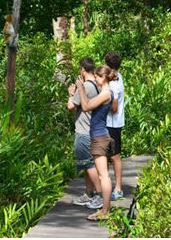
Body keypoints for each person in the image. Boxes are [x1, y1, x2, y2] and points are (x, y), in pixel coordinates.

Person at [76, 65, 117, 221]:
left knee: (103, 176)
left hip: (100, 137)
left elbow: (85, 106)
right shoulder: (105, 93)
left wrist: (80, 87)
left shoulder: (106, 93)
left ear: (104, 78)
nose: (96, 79)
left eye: (98, 77)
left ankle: (105, 211)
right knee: (102, 175)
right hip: (99, 135)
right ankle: (104, 209)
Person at [67, 58, 103, 209]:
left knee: (89, 165)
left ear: (82, 69)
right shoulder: (96, 85)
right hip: (92, 129)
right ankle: (89, 193)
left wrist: (71, 93)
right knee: (87, 164)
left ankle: (99, 195)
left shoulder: (85, 87)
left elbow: (71, 106)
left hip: (84, 131)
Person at [105, 51, 125, 200]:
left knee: (115, 156)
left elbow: (114, 107)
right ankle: (106, 187)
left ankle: (118, 188)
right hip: (112, 123)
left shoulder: (114, 84)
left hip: (113, 124)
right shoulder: (118, 76)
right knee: (106, 156)